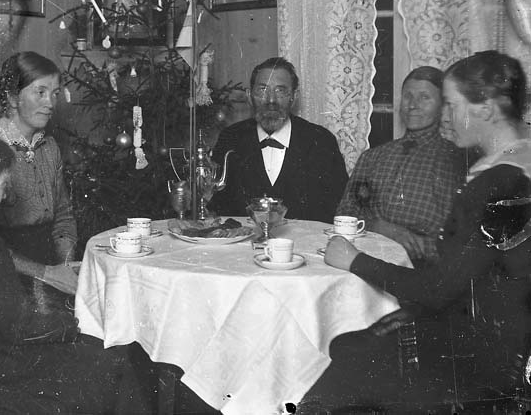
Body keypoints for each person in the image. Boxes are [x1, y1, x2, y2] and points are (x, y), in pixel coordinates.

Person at [311, 51, 531, 408]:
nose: (446, 117)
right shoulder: (519, 161)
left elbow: (437, 288)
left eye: (451, 105)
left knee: (331, 370)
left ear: (487, 109)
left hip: (482, 355)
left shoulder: (494, 182)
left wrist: (354, 261)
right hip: (503, 335)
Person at [0, 129, 134, 415]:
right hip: (4, 383)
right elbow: (21, 326)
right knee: (116, 361)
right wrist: (74, 323)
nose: (5, 195)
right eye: (2, 186)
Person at [336, 66, 466, 264]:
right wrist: (378, 227)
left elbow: (461, 239)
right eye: (408, 96)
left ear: (442, 106)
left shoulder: (454, 160)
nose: (413, 105)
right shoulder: (372, 157)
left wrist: (418, 246)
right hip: (366, 260)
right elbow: (345, 213)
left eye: (424, 97)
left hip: (426, 269)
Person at [210, 56, 348, 222]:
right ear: (249, 96)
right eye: (262, 90)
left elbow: (341, 208)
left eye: (280, 91)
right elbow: (215, 206)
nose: (271, 100)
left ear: (294, 96)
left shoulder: (322, 141)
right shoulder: (230, 138)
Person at [0, 51, 78, 294]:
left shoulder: (49, 147)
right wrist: (47, 274)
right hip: (7, 274)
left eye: (55, 93)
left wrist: (64, 266)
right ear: (12, 97)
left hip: (51, 264)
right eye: (40, 92)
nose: (50, 103)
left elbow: (63, 216)